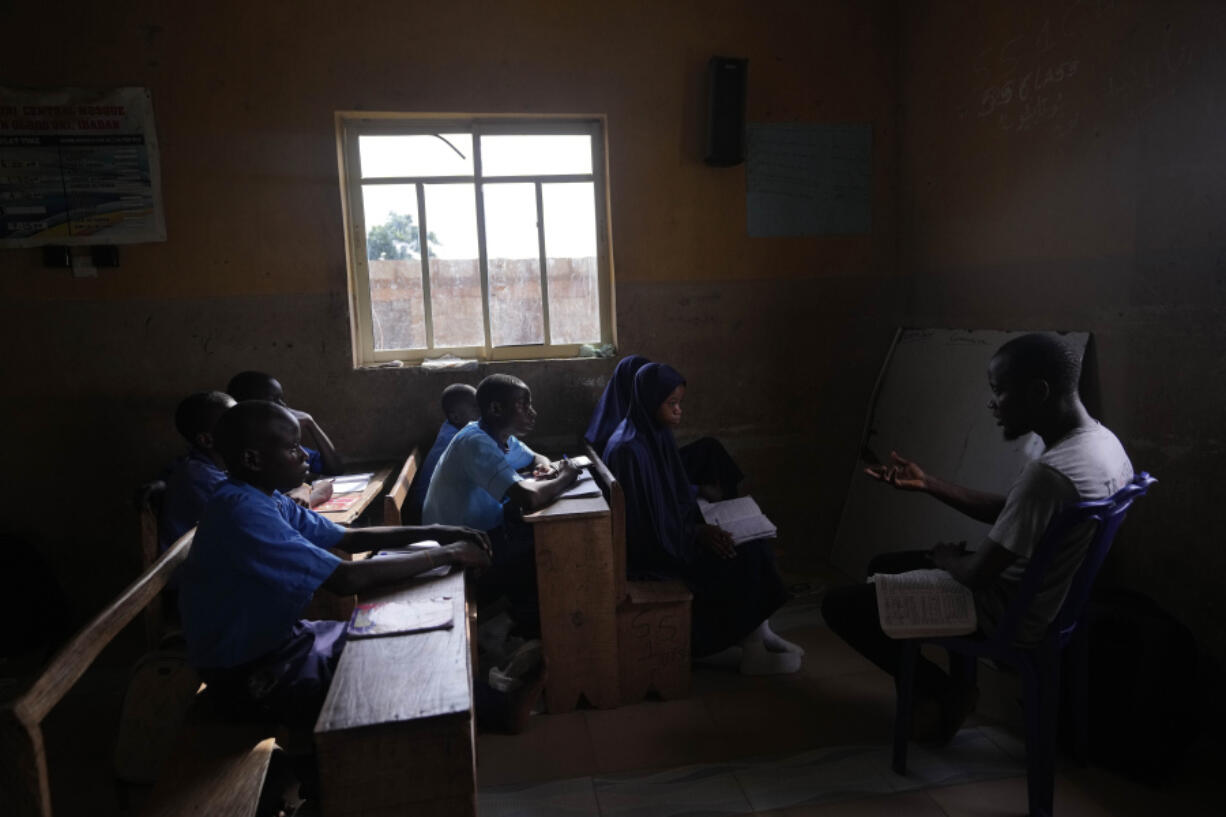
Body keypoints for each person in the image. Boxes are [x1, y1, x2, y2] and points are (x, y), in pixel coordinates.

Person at [821, 332, 1133, 740]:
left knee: (840, 606)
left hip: (1007, 613)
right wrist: (928, 483)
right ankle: (935, 696)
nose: (993, 405)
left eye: (999, 392)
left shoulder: (1049, 474)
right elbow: (1018, 511)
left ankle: (944, 692)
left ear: (1038, 392)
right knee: (884, 567)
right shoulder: (1102, 444)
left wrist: (945, 559)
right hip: (1049, 600)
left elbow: (979, 575)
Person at [178, 400, 490, 731]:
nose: (303, 455)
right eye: (293, 447)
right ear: (253, 459)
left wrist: (438, 531)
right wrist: (447, 553)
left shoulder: (265, 497)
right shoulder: (241, 512)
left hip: (285, 640)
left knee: (400, 642)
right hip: (246, 671)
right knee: (389, 676)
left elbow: (348, 538)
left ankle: (492, 704)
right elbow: (345, 579)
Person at [602, 362, 801, 675]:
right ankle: (734, 646)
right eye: (671, 404)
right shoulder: (629, 449)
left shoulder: (653, 433)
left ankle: (759, 632)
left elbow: (671, 491)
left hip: (672, 531)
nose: (679, 411)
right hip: (655, 552)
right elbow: (644, 528)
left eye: (680, 403)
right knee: (744, 553)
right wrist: (695, 532)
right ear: (649, 400)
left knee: (753, 539)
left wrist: (703, 517)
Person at [422, 374, 580, 630]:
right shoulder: (475, 442)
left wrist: (547, 470)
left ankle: (529, 625)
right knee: (547, 554)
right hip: (457, 547)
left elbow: (535, 458)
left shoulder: (500, 435)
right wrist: (565, 475)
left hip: (481, 534)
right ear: (496, 409)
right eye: (524, 405)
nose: (533, 413)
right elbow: (529, 497)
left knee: (543, 544)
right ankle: (530, 631)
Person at [586, 354, 744, 501]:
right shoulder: (622, 438)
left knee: (709, 447)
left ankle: (732, 506)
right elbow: (645, 479)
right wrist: (696, 490)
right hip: (648, 474)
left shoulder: (643, 410)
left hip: (656, 465)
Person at [158, 390, 236, 552]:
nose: (247, 427)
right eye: (234, 423)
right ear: (207, 440)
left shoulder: (212, 468)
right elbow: (255, 515)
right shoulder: (201, 478)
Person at [226, 370, 345, 476]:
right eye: (274, 400)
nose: (283, 406)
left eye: (281, 399)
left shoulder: (285, 444)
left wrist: (310, 423)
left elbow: (335, 468)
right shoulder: (247, 454)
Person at [405, 383, 482, 523]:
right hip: (429, 514)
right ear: (456, 417)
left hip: (433, 505)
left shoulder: (452, 426)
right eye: (475, 408)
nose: (481, 411)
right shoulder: (457, 441)